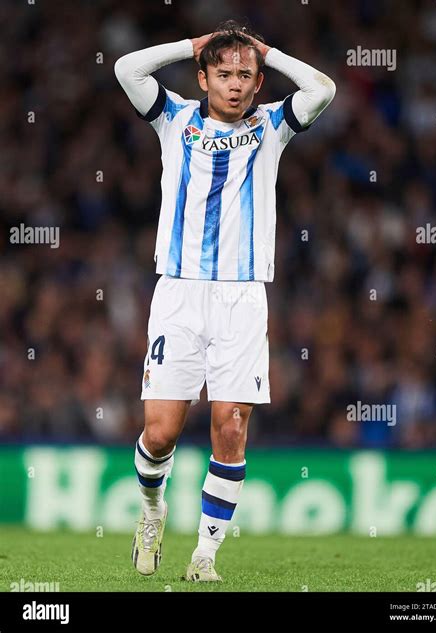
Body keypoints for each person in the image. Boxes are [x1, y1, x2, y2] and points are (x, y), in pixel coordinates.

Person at [114, 19, 335, 582]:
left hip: (242, 297)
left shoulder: (271, 127)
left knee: (231, 423)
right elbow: (125, 68)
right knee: (161, 432)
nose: (234, 84)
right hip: (179, 294)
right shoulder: (175, 118)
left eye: (245, 75)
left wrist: (270, 51)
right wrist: (192, 42)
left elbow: (323, 89)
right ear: (203, 76)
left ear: (258, 83)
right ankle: (151, 510)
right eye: (223, 73)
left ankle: (205, 556)